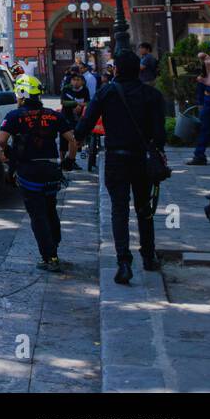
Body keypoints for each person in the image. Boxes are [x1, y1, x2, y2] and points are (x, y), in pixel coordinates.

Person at [73, 50, 168, 285]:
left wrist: (77, 137)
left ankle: (124, 262)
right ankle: (148, 256)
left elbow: (85, 124)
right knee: (144, 208)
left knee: (119, 210)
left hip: (116, 158)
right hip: (142, 159)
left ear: (116, 70)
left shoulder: (106, 93)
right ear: (140, 70)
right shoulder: (152, 95)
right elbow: (160, 134)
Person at [0, 75, 77, 272]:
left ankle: (49, 256)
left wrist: (6, 151)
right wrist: (69, 161)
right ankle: (54, 249)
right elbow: (72, 140)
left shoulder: (14, 116)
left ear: (22, 94)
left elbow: (1, 139)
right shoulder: (54, 115)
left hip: (28, 172)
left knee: (38, 215)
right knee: (50, 210)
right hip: (51, 171)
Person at [58, 72, 89, 172]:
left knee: (75, 139)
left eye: (78, 80)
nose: (76, 82)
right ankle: (63, 161)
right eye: (74, 80)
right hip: (66, 117)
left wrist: (81, 106)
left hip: (78, 118)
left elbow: (88, 102)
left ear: (82, 82)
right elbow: (63, 102)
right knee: (64, 139)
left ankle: (72, 160)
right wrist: (76, 103)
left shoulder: (85, 90)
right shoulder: (66, 89)